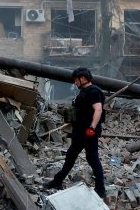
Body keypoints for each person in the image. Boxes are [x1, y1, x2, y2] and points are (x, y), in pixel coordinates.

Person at [45, 67, 106, 198]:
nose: (75, 83)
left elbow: (98, 110)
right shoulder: (84, 92)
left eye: (76, 80)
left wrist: (92, 128)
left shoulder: (93, 92)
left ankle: (100, 189)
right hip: (80, 131)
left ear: (83, 78)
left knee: (92, 158)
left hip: (88, 132)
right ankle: (58, 181)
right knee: (72, 156)